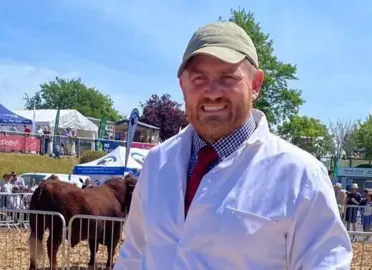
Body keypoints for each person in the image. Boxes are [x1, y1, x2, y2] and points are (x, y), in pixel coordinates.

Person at [114, 21, 352, 269]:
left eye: (227, 77)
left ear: (255, 84)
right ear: (182, 86)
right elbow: (134, 252)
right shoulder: (157, 163)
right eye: (198, 78)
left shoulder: (301, 176)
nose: (212, 92)